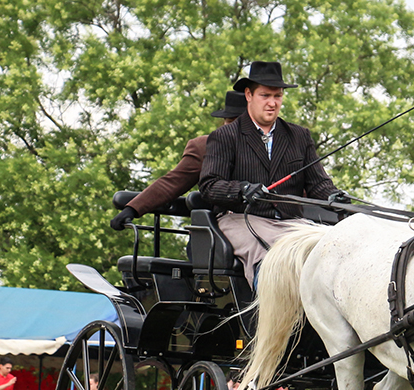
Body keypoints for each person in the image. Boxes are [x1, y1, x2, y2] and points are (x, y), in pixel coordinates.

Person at [199, 61, 342, 286]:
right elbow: (209, 186)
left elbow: (318, 184)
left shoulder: (299, 136)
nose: (272, 103)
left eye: (278, 96)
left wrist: (334, 196)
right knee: (273, 260)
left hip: (292, 224)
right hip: (241, 219)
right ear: (248, 95)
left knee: (331, 253)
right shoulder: (226, 136)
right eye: (265, 95)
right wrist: (242, 190)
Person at [110, 91, 248, 230]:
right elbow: (172, 182)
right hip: (226, 227)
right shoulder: (205, 147)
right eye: (229, 122)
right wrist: (133, 209)